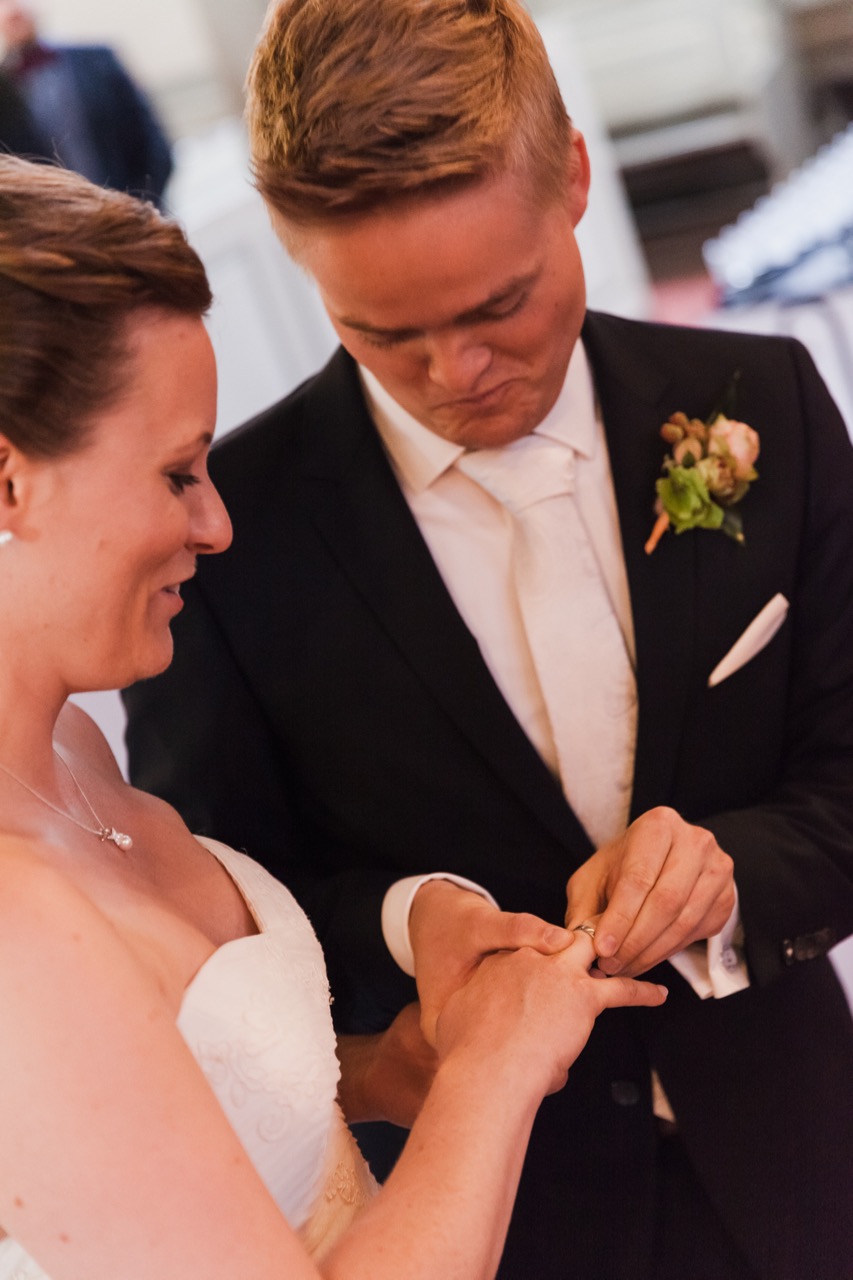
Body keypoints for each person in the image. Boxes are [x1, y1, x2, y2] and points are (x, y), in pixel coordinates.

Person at [122, 1, 853, 1277]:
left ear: (570, 174)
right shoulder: (230, 539)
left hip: (800, 1156)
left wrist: (730, 873)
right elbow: (220, 916)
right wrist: (409, 919)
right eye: (382, 333)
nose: (455, 372)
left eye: (497, 304)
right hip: (497, 1221)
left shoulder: (764, 405)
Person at [0, 154, 668, 1280]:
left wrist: (373, 1070)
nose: (216, 525)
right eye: (177, 474)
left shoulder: (65, 744)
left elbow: (149, 1130)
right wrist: (494, 1067)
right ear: (9, 482)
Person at [0, 1, 172, 206]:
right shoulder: (5, 90)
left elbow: (150, 138)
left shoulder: (95, 60)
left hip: (129, 205)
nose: (12, 14)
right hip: (57, 217)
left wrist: (141, 203)